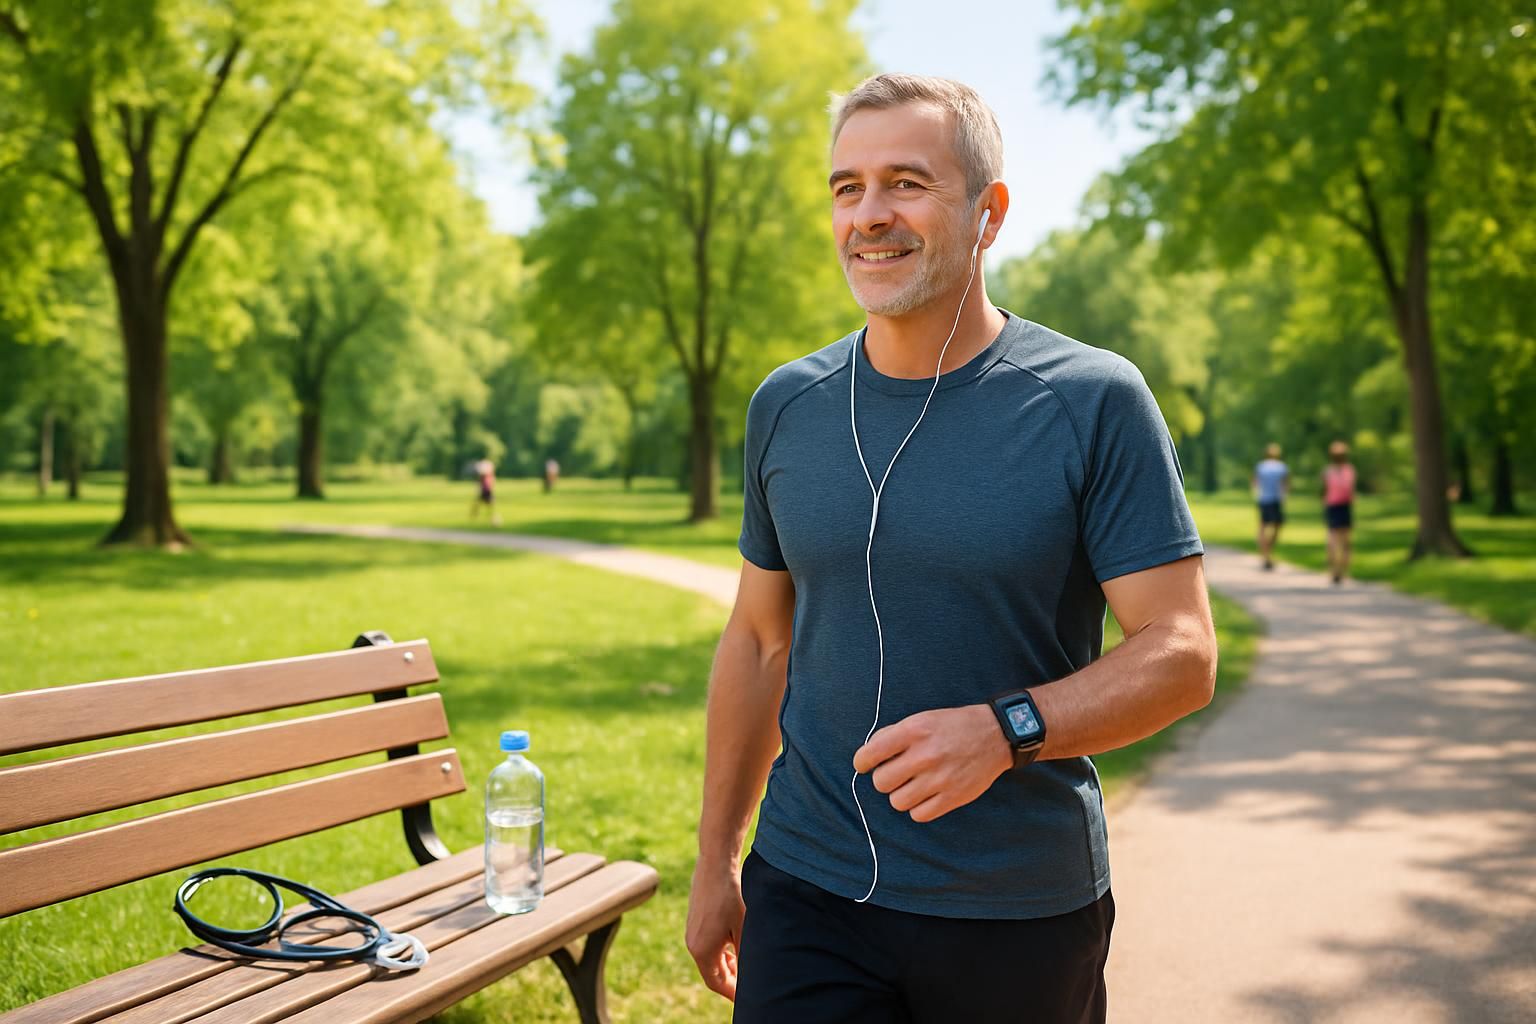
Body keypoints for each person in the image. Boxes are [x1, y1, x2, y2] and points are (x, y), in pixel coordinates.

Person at [685, 73, 1219, 1024]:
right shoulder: (786, 406)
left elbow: (1181, 654)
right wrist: (718, 859)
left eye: (906, 182)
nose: (870, 215)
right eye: (847, 187)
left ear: (988, 211)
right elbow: (761, 641)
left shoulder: (1092, 400)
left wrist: (1006, 730)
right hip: (806, 889)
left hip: (1015, 907)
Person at [1322, 439, 1356, 585]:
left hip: (1332, 506)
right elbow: (1351, 490)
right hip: (1344, 506)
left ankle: (1334, 571)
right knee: (1345, 541)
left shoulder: (1327, 471)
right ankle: (1342, 571)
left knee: (1332, 540)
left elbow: (1324, 490)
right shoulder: (1350, 470)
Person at [1252, 443, 1290, 570]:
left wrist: (1256, 495)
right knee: (1277, 527)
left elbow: (1255, 483)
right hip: (1276, 500)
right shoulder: (1282, 467)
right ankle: (1268, 552)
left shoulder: (1261, 467)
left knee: (1263, 527)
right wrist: (1284, 497)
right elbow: (1285, 485)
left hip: (1264, 500)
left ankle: (1265, 554)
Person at [469, 457, 501, 526]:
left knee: (489, 505)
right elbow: (480, 482)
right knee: (478, 504)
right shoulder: (482, 476)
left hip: (487, 490)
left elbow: (490, 481)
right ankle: (475, 515)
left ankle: (492, 517)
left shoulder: (488, 475)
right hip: (484, 490)